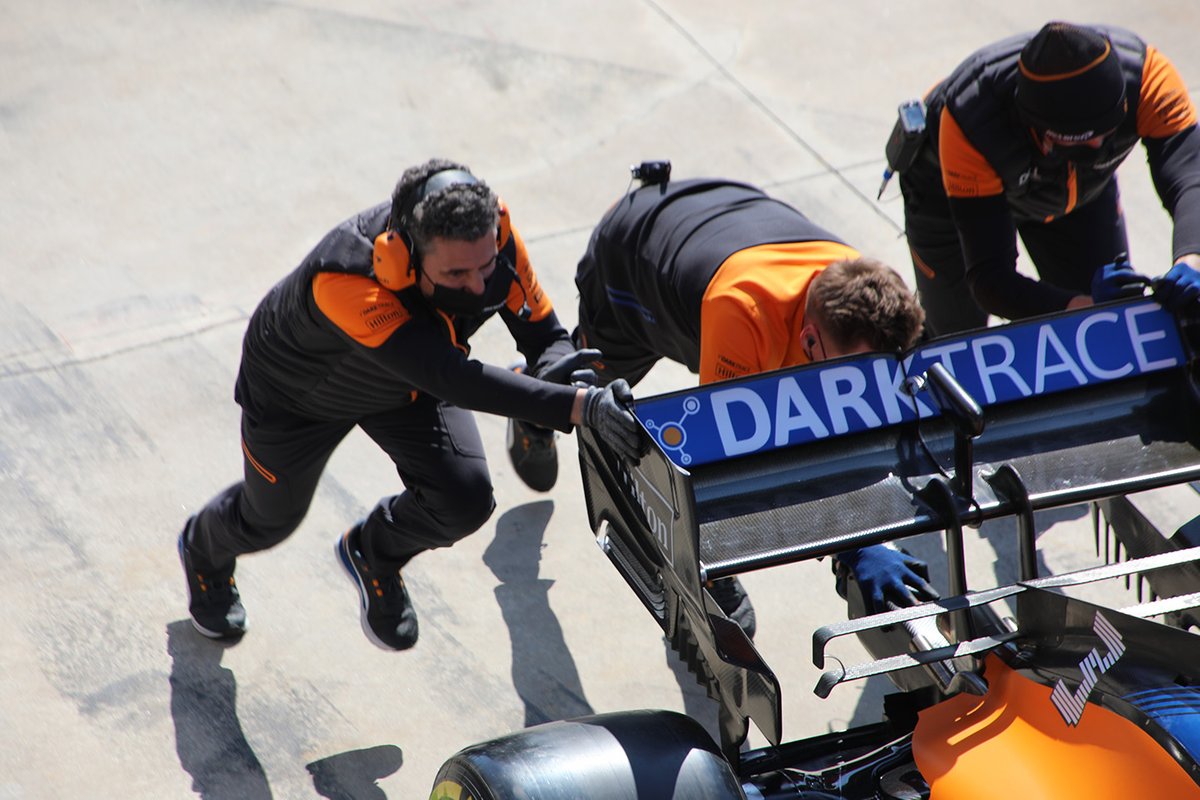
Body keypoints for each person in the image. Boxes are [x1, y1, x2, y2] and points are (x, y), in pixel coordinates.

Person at [177, 158, 645, 651]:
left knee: (464, 499)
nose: (479, 285)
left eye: (486, 266)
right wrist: (575, 407)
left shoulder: (491, 234)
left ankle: (374, 552)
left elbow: (543, 334)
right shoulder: (343, 280)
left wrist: (571, 375)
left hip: (406, 387)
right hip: (300, 398)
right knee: (267, 521)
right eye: (457, 273)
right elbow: (449, 375)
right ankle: (203, 550)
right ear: (402, 257)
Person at [508, 169, 936, 637]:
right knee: (594, 397)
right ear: (809, 337)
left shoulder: (858, 290)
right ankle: (531, 394)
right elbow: (724, 466)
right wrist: (853, 545)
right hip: (631, 262)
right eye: (851, 374)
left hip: (717, 216)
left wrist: (869, 533)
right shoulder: (744, 314)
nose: (861, 386)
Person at [891, 20, 1200, 337]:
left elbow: (1192, 178)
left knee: (1107, 328)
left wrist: (1191, 260)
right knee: (956, 337)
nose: (1098, 148)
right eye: (1080, 143)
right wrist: (1081, 304)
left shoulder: (1149, 76)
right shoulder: (972, 121)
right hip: (948, 196)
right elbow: (990, 279)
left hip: (1072, 194)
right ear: (1036, 129)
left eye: (1108, 134)